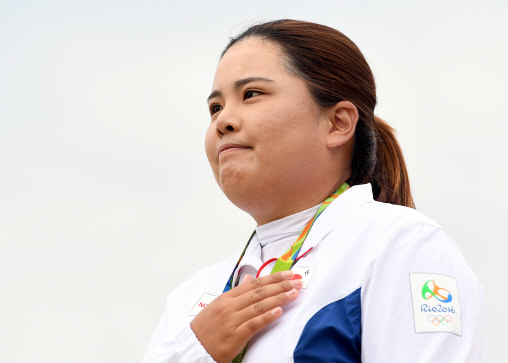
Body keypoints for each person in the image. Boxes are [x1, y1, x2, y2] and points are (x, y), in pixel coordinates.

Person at [143, 19, 482, 363]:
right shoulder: (192, 296)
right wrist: (196, 353)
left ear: (338, 123)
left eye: (252, 94)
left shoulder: (401, 245)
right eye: (215, 107)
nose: (223, 120)